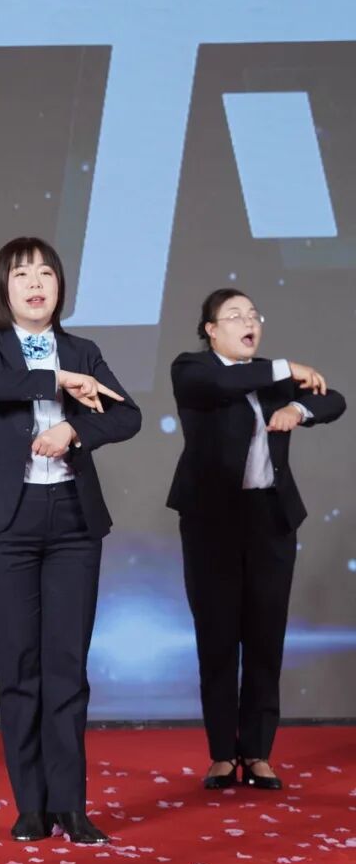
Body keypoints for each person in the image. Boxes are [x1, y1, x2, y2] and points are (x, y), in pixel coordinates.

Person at [0, 239, 141, 846]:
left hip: (73, 522)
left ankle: (71, 806)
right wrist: (58, 380)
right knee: (19, 667)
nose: (36, 284)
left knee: (67, 667)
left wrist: (73, 431)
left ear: (60, 285)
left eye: (46, 273)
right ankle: (30, 805)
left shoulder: (84, 349)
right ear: (2, 288)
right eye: (21, 274)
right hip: (4, 521)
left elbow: (127, 415)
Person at [167, 288, 345, 791]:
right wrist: (288, 370)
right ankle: (223, 755)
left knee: (266, 636)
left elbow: (333, 398)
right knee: (218, 637)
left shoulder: (271, 375)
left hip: (270, 517)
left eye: (253, 314)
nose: (248, 321)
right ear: (211, 330)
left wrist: (298, 411)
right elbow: (225, 383)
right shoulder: (192, 369)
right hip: (212, 521)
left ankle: (258, 752)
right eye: (235, 315)